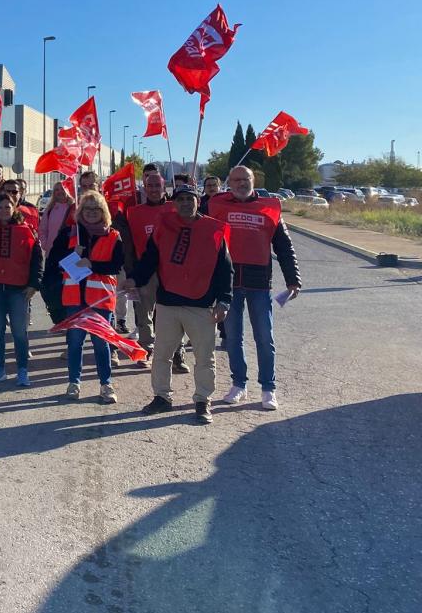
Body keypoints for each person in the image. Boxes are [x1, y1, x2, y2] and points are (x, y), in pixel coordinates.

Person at [124, 184, 233, 424]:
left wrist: (224, 300)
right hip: (168, 304)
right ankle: (162, 397)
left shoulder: (214, 230)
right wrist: (134, 279)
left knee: (205, 358)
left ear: (197, 201)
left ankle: (203, 400)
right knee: (161, 355)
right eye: (180, 199)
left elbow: (226, 270)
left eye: (189, 199)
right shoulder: (164, 227)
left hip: (201, 305)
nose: (185, 203)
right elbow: (149, 260)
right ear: (174, 203)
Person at [212, 166, 301, 411]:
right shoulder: (217, 206)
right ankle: (238, 384)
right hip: (229, 284)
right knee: (233, 338)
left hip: (259, 283)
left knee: (265, 337)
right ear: (229, 183)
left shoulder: (269, 209)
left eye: (246, 179)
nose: (241, 183)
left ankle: (268, 388)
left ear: (253, 181)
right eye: (237, 179)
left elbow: (284, 248)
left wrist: (293, 280)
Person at [46, 191, 125, 403]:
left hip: (100, 300)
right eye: (87, 209)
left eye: (96, 209)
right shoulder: (69, 234)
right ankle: (74, 382)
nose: (91, 213)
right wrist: (73, 255)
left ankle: (106, 384)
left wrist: (92, 264)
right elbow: (53, 261)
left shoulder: (113, 236)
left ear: (104, 212)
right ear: (80, 212)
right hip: (74, 298)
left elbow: (116, 266)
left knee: (101, 344)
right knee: (74, 342)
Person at [118, 169, 186, 371]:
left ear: (164, 187)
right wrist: (131, 272)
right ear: (144, 188)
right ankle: (146, 350)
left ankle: (177, 353)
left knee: (175, 313)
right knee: (144, 314)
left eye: (158, 185)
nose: (155, 189)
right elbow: (128, 245)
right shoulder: (134, 212)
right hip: (144, 271)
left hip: (172, 270)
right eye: (150, 186)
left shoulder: (175, 209)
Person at [0, 192, 43, 386]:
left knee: (19, 331)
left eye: (7, 206)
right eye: (0, 207)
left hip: (18, 288)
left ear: (15, 208)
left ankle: (22, 370)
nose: (4, 210)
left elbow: (37, 259)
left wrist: (34, 284)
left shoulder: (26, 230)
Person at [38, 181, 74, 324]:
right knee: (51, 287)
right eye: (56, 189)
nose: (59, 191)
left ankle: (69, 316)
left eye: (62, 188)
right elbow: (42, 230)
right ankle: (58, 317)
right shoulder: (50, 209)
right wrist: (47, 246)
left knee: (68, 288)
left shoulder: (73, 208)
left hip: (70, 255)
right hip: (52, 255)